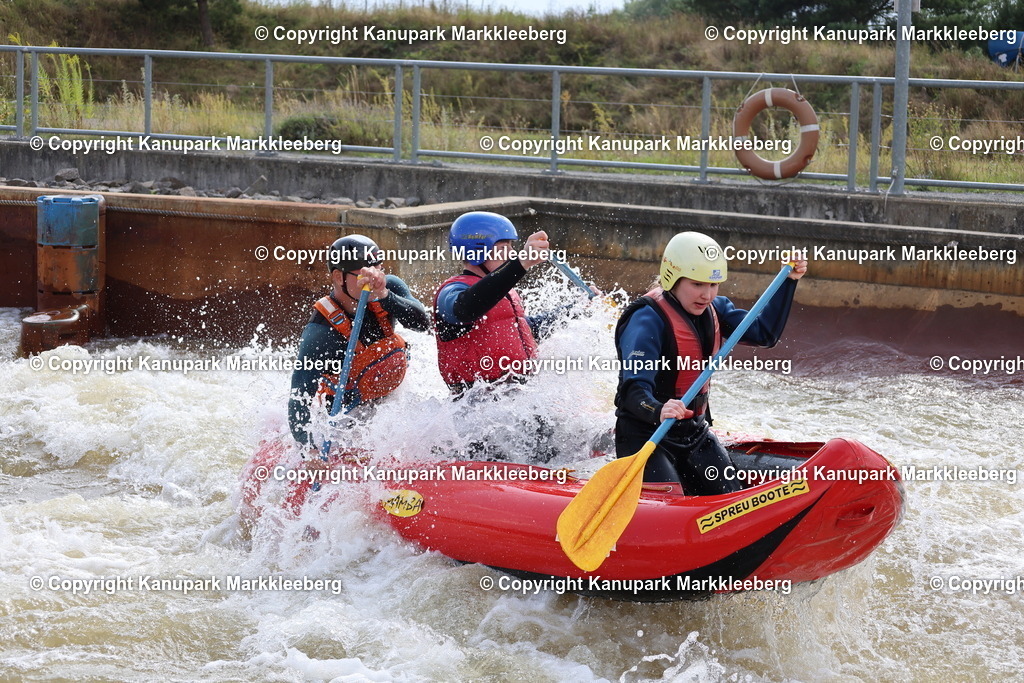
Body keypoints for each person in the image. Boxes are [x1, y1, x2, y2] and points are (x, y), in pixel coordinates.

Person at [613, 231, 807, 495]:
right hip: (647, 437)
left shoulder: (716, 308)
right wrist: (658, 408)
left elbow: (765, 335)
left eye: (713, 285)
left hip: (694, 434)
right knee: (669, 506)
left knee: (730, 498)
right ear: (673, 277)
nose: (707, 295)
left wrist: (788, 283)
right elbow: (633, 391)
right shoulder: (646, 320)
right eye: (697, 284)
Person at [288, 234, 431, 451]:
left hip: (391, 398)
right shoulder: (319, 333)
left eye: (379, 269)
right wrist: (310, 453)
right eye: (365, 274)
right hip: (347, 418)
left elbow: (422, 323)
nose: (375, 279)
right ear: (339, 277)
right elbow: (299, 398)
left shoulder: (388, 289)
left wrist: (384, 294)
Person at [433, 211, 567, 396]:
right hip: (477, 404)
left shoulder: (504, 292)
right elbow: (465, 309)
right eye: (504, 247)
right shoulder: (451, 292)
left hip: (519, 396)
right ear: (477, 250)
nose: (512, 253)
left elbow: (528, 328)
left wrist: (576, 309)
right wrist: (520, 263)